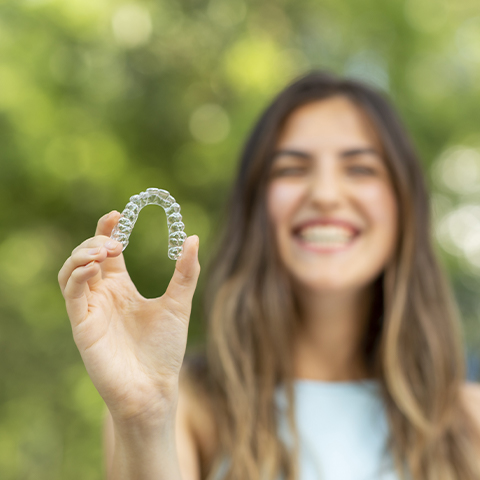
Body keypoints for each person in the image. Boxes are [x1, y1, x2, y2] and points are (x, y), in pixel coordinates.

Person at [58, 71, 480, 480]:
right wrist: (144, 418)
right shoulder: (179, 407)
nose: (326, 195)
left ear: (404, 205)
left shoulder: (470, 424)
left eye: (360, 169)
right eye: (292, 169)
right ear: (256, 209)